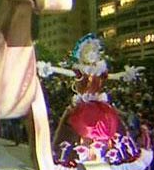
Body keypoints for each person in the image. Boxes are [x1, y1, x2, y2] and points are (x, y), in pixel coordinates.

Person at [37, 34, 153, 169]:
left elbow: (113, 76)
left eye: (94, 51)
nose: (91, 54)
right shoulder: (80, 70)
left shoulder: (101, 70)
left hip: (101, 107)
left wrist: (126, 74)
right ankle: (78, 157)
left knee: (113, 125)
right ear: (82, 54)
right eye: (88, 51)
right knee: (75, 127)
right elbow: (67, 73)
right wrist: (50, 69)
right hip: (82, 107)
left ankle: (109, 155)